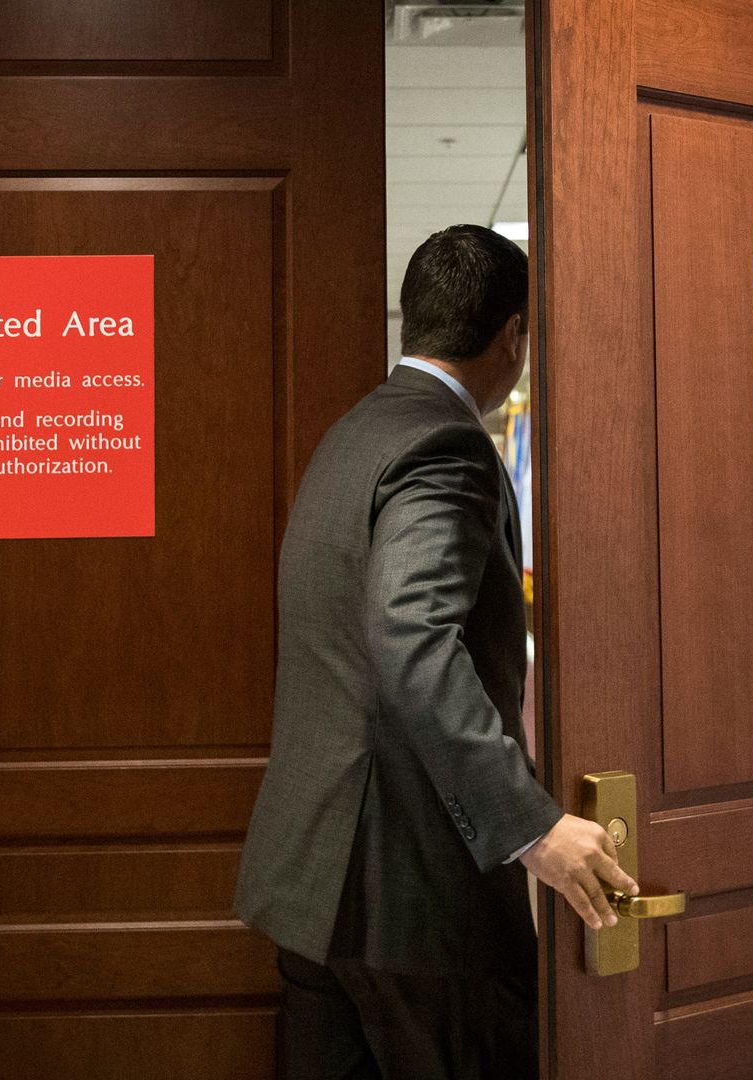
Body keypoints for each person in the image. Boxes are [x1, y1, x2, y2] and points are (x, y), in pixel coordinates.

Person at [234, 225, 639, 1079]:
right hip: (411, 901)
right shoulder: (447, 447)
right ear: (513, 335)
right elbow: (411, 634)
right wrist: (531, 828)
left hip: (314, 889)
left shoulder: (352, 435)